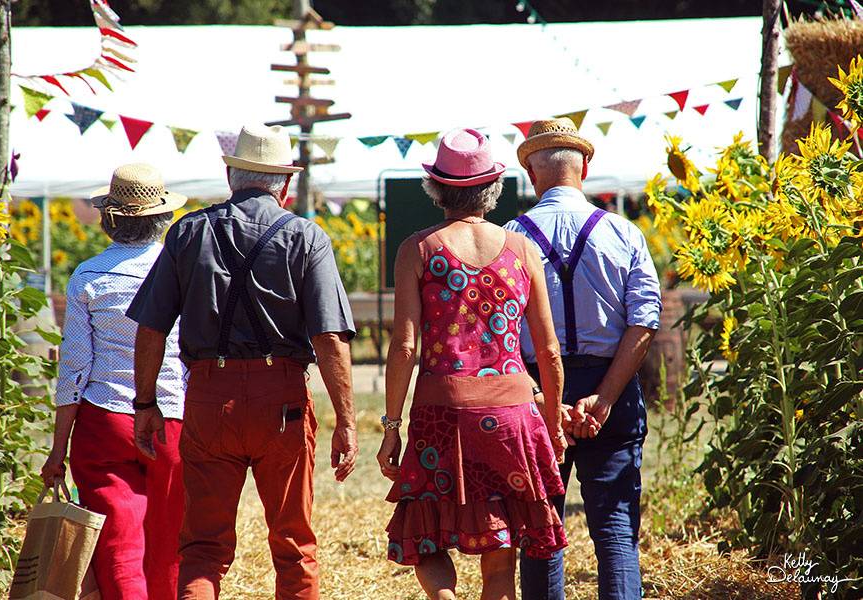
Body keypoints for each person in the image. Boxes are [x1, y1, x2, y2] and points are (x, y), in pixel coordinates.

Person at [125, 124, 358, 600]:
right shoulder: (306, 237)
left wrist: (145, 403)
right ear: (285, 184)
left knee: (203, 549)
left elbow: (150, 327)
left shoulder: (187, 231)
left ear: (231, 176)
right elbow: (329, 337)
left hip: (210, 398)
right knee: (294, 544)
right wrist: (347, 422)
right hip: (282, 400)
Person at [377, 128, 570, 600]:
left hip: (441, 412)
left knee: (427, 536)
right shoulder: (523, 250)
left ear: (437, 188)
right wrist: (552, 422)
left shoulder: (418, 249)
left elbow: (404, 347)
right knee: (500, 552)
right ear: (493, 188)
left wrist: (390, 426)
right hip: (512, 416)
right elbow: (547, 350)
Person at [507, 118, 662, 600]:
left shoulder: (508, 239)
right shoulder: (624, 233)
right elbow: (645, 321)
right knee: (616, 534)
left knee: (541, 536)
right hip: (610, 387)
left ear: (532, 174)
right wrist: (606, 398)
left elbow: (501, 333)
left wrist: (544, 401)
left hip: (533, 393)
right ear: (586, 168)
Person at [40, 163, 188, 600]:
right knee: (170, 543)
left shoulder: (89, 275)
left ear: (109, 219)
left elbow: (74, 369)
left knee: (119, 546)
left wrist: (57, 449)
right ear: (163, 219)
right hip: (172, 419)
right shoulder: (183, 272)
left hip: (103, 421)